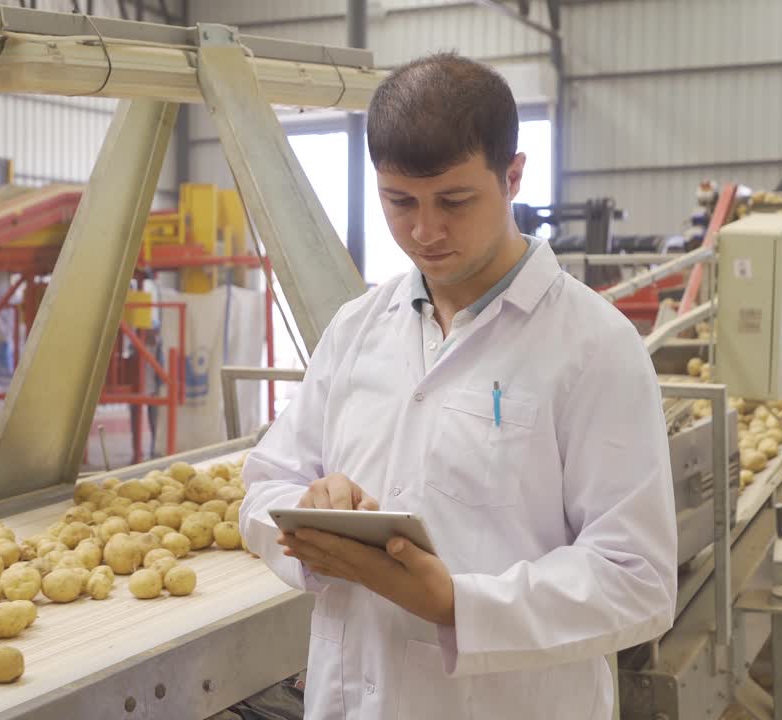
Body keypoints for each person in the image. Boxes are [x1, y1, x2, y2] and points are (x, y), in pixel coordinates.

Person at [237, 53, 678, 719]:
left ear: (513, 176)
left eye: (454, 200)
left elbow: (636, 578)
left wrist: (456, 605)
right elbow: (265, 483)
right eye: (399, 202)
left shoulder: (593, 348)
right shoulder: (358, 329)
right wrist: (313, 515)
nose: (424, 230)